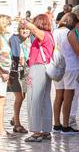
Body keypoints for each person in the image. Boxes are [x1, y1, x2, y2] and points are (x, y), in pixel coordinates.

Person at [24, 14, 55, 142]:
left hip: (38, 68)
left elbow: (34, 30)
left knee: (34, 99)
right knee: (45, 100)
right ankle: (46, 130)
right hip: (45, 69)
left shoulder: (43, 35)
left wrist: (24, 21)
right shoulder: (50, 36)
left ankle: (36, 132)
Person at [53, 13, 79, 135]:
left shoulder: (55, 32)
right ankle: (66, 125)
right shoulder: (69, 33)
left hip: (57, 66)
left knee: (58, 95)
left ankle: (56, 124)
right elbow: (78, 51)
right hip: (70, 66)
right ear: (72, 23)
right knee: (68, 96)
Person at [7, 22, 32, 134]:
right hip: (14, 72)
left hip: (26, 71)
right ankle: (17, 124)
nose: (25, 30)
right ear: (19, 29)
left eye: (27, 28)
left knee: (23, 96)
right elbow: (15, 56)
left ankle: (14, 118)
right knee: (19, 96)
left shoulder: (30, 39)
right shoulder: (14, 39)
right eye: (23, 28)